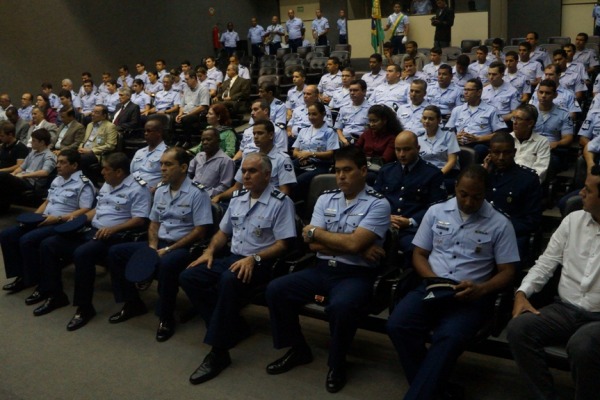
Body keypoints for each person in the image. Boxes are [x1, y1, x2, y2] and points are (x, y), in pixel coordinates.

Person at [387, 165, 519, 400]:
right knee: (398, 324)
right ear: (455, 188)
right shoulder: (436, 212)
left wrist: (482, 289)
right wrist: (431, 279)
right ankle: (439, 391)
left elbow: (508, 271)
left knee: (448, 337)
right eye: (464, 194)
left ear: (486, 192)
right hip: (432, 287)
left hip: (470, 296)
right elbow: (419, 254)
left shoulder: (500, 224)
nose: (469, 202)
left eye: (477, 196)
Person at [266, 146, 390, 392]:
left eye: (347, 170)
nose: (341, 176)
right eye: (337, 170)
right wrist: (354, 246)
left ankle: (337, 363)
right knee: (276, 290)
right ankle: (298, 349)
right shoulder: (326, 198)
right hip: (321, 269)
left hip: (356, 275)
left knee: (341, 306)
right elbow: (311, 244)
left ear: (363, 171)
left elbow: (321, 237)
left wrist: (331, 239)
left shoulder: (379, 204)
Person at [178, 151, 297, 384]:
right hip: (233, 257)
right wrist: (210, 251)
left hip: (263, 263)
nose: (246, 175)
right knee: (189, 276)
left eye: (252, 171)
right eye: (243, 171)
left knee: (228, 281)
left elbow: (284, 244)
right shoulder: (238, 199)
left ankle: (219, 352)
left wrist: (255, 259)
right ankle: (234, 326)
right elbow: (223, 233)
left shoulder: (281, 203)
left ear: (267, 174)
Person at [507, 164, 600, 400]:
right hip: (565, 308)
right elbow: (546, 262)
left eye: (588, 190)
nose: (580, 193)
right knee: (519, 328)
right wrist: (522, 293)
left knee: (583, 346)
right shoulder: (573, 220)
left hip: (597, 319)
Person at [32, 152, 152, 328]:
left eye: (106, 169)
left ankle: (84, 308)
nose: (102, 172)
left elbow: (140, 219)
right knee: (49, 244)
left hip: (116, 236)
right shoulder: (107, 185)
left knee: (82, 254)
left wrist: (112, 229)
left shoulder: (138, 188)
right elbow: (98, 210)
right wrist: (78, 219)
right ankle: (55, 295)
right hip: (92, 230)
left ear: (119, 172)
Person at [107, 148, 212, 340]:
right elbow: (154, 223)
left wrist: (168, 249)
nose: (162, 168)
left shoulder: (198, 193)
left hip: (185, 247)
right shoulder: (161, 190)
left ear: (183, 167)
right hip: (160, 243)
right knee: (116, 252)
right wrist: (153, 247)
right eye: (161, 164)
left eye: (168, 164)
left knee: (167, 264)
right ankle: (132, 303)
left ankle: (165, 317)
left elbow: (200, 231)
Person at [0, 148, 95, 297]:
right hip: (45, 218)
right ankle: (22, 275)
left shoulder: (83, 183)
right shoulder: (57, 179)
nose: (58, 166)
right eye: (58, 162)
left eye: (63, 163)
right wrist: (34, 217)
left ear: (74, 165)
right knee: (7, 235)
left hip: (61, 222)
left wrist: (59, 218)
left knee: (27, 240)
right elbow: (47, 202)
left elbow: (86, 209)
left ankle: (36, 279)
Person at [374, 130, 446, 257]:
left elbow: (437, 208)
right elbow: (374, 200)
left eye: (406, 149)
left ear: (417, 148)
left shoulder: (432, 174)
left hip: (412, 229)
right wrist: (385, 216)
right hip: (384, 224)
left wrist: (411, 221)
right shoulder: (386, 170)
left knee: (414, 251)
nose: (402, 154)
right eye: (398, 150)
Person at [483, 131, 542, 267]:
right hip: (480, 232)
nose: (501, 157)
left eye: (507, 153)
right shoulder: (483, 176)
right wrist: (483, 175)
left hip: (512, 235)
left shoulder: (528, 179)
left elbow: (532, 220)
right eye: (496, 153)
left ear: (514, 152)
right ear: (489, 153)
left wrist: (499, 230)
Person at [213, 119, 296, 204]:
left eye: (260, 133)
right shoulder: (249, 159)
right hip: (244, 200)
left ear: (271, 135)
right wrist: (219, 196)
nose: (255, 137)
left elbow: (284, 192)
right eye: (254, 133)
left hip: (268, 203)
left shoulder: (282, 159)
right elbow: (237, 187)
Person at [446, 78, 507, 162]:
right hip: (459, 142)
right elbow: (447, 131)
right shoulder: (457, 110)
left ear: (479, 92)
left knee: (479, 149)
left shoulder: (491, 110)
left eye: (469, 90)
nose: (465, 92)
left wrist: (478, 138)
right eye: (465, 89)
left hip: (480, 143)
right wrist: (455, 137)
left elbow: (500, 134)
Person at [0, 129, 56, 211]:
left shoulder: (49, 156)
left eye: (34, 141)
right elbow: (21, 167)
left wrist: (24, 175)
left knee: (2, 175)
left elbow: (45, 172)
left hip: (31, 183)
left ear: (42, 142)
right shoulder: (33, 152)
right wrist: (14, 173)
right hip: (22, 178)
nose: (31, 142)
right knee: (5, 178)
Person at [292, 102, 339, 199]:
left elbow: (330, 154)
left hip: (320, 165)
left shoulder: (330, 132)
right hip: (302, 162)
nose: (311, 117)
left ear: (323, 114)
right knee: (284, 174)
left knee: (298, 181)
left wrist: (310, 154)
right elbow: (295, 151)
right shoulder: (304, 131)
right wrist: (302, 156)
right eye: (309, 114)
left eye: (314, 114)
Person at [530, 80, 571, 176]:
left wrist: (557, 143)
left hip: (551, 150)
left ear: (555, 95)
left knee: (548, 163)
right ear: (537, 93)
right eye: (541, 92)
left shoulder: (564, 114)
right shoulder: (529, 111)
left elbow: (568, 138)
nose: (543, 96)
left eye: (547, 93)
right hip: (530, 146)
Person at [417, 104, 460, 189]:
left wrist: (437, 176)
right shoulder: (419, 138)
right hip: (426, 174)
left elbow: (452, 161)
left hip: (446, 174)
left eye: (431, 119)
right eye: (424, 118)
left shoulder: (448, 135)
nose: (426, 121)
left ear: (439, 120)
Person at [188, 128, 235, 198]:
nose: (205, 142)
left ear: (218, 141)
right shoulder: (199, 156)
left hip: (207, 196)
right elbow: (188, 173)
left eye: (208, 139)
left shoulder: (226, 161)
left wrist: (205, 195)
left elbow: (224, 186)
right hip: (190, 192)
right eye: (203, 140)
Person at [355, 104, 402, 171]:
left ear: (384, 121)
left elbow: (384, 160)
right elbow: (355, 150)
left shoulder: (392, 138)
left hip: (382, 170)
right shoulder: (367, 134)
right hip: (364, 168)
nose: (371, 124)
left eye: (375, 121)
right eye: (370, 121)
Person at [130, 115, 168, 190]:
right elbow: (131, 172)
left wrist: (156, 187)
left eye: (149, 131)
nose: (146, 133)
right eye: (145, 131)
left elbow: (169, 178)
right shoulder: (139, 152)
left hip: (152, 190)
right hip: (132, 188)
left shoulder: (167, 153)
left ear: (159, 133)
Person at [78, 105, 118, 172]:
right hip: (83, 151)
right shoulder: (89, 125)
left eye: (96, 112)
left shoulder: (110, 126)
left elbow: (110, 145)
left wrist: (91, 151)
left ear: (104, 116)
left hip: (97, 154)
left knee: (80, 159)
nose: (93, 114)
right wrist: (80, 148)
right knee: (67, 155)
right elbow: (83, 141)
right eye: (93, 111)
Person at [175, 71, 210, 145]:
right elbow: (182, 105)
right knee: (171, 118)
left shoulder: (203, 89)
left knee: (186, 119)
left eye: (187, 79)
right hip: (185, 113)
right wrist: (180, 114)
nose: (186, 82)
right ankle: (176, 140)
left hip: (197, 114)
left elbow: (203, 106)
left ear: (193, 78)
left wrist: (187, 115)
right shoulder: (186, 89)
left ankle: (188, 141)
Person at [334, 79, 371, 145]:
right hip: (344, 140)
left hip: (362, 141)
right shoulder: (344, 108)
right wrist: (344, 140)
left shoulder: (371, 109)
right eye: (350, 90)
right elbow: (338, 128)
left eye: (355, 90)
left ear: (364, 92)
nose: (352, 93)